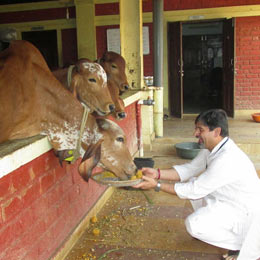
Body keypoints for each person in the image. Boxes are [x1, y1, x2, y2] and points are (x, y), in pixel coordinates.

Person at [134, 109, 260, 260]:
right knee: (194, 185)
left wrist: (157, 186)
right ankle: (232, 236)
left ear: (216, 131)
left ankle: (241, 244)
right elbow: (190, 169)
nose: (195, 134)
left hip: (244, 211)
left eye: (200, 129)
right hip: (229, 201)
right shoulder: (213, 149)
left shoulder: (227, 158)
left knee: (194, 224)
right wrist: (157, 173)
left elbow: (194, 190)